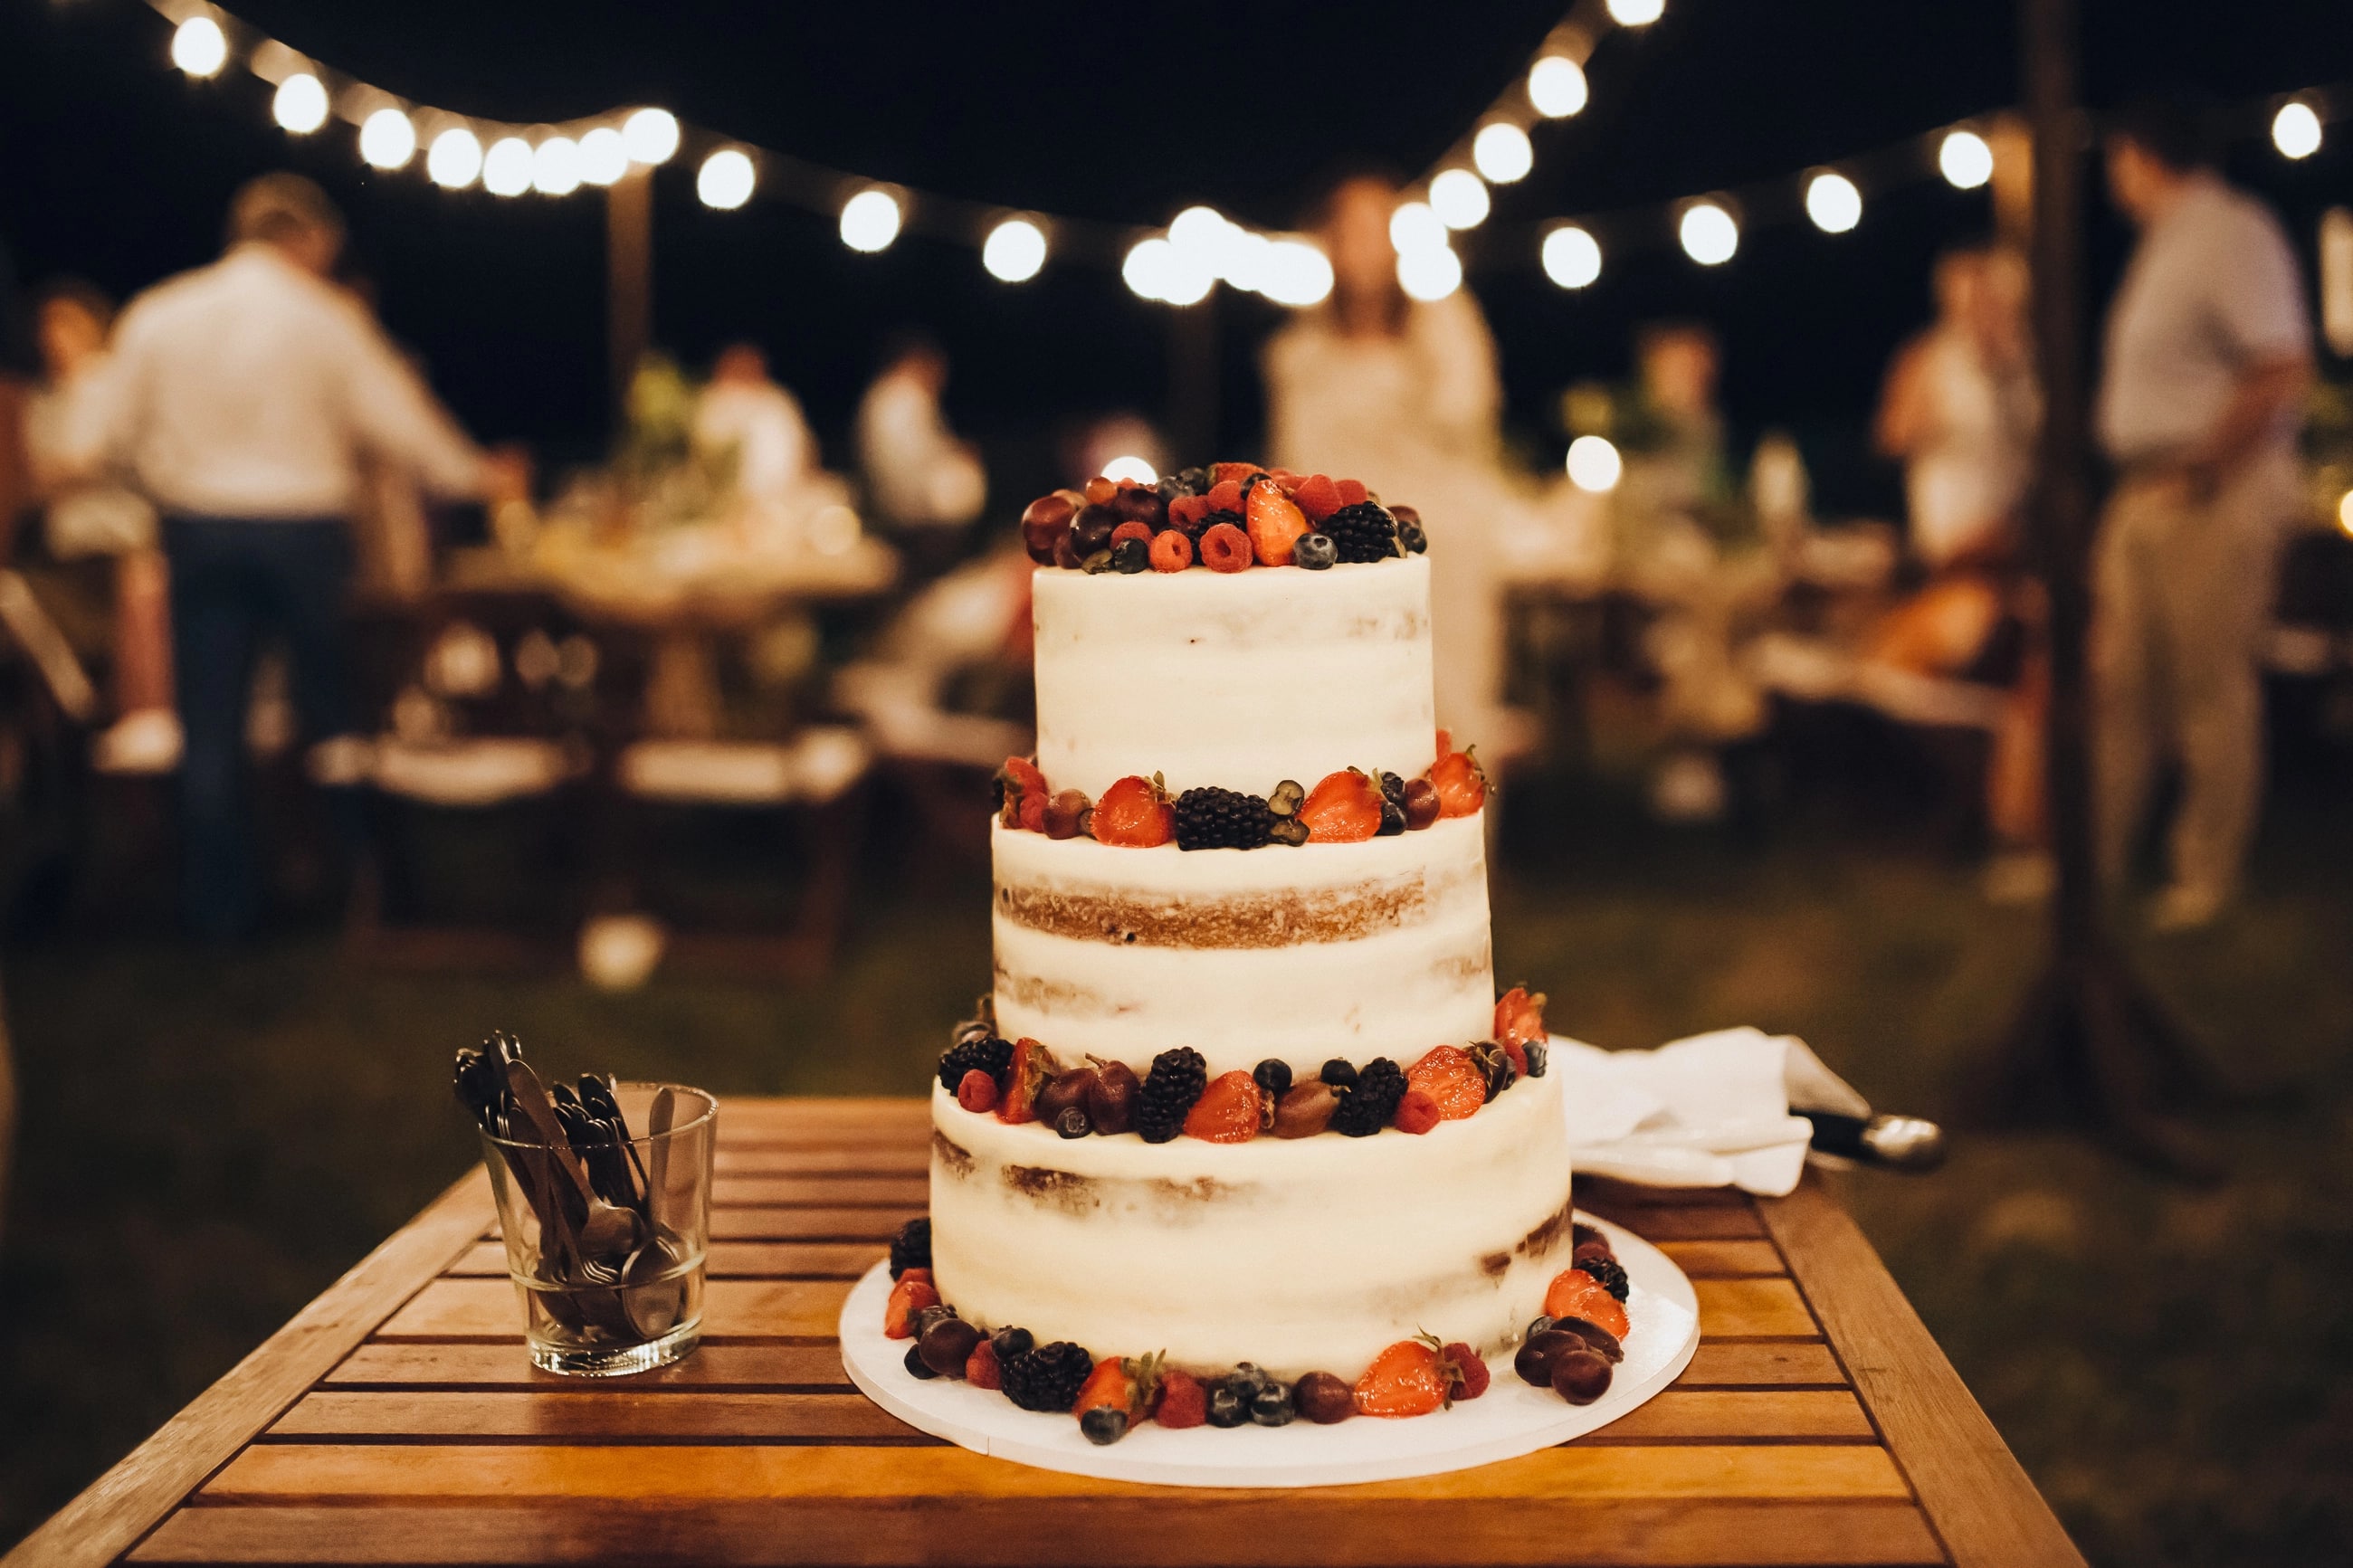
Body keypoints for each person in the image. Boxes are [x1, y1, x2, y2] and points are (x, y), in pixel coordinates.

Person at [60, 173, 524, 938]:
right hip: (302, 533)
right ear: (306, 240)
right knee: (329, 709)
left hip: (200, 526)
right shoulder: (325, 318)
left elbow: (99, 441)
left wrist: (163, 486)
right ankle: (355, 891)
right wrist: (475, 473)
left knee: (211, 722)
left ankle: (220, 910)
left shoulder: (160, 313)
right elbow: (398, 420)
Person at [2092, 96, 2313, 930]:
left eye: (2117, 159)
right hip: (2145, 492)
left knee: (2208, 688)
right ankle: (2096, 864)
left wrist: (2204, 468)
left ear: (2145, 155)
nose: (2112, 177)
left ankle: (2206, 870)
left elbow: (2279, 365)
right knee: (2119, 686)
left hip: (2207, 494)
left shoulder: (2230, 232)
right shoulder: (2167, 246)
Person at [1263, 174, 1518, 756]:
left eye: (1378, 227)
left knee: (1455, 702)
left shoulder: (1443, 326)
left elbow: (1469, 417)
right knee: (1353, 703)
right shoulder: (1300, 352)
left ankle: (1468, 838)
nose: (1365, 245)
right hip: (1344, 547)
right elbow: (1294, 460)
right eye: (1350, 229)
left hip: (1443, 541)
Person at [1872, 246, 2049, 898]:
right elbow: (1891, 435)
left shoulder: (2028, 362)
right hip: (1951, 557)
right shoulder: (1930, 360)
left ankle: (2015, 815)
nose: (1982, 308)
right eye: (1969, 296)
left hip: (2013, 557)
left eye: (1993, 295)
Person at [22, 280, 176, 770]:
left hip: (115, 539)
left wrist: (52, 476)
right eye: (47, 324)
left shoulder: (106, 381)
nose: (55, 336)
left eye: (66, 322)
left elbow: (96, 458)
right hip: (68, 543)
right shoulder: (47, 398)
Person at [856, 331, 986, 576]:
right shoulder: (903, 399)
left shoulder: (883, 396)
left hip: (902, 509)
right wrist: (956, 457)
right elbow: (910, 462)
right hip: (912, 517)